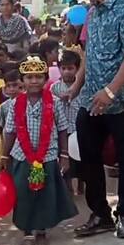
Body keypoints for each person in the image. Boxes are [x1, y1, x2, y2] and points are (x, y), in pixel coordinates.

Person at [67, 0, 124, 240]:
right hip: (92, 100)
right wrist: (76, 86)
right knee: (88, 157)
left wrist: (111, 90)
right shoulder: (93, 12)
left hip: (123, 101)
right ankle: (99, 213)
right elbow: (90, 53)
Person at [0, 56, 77, 245]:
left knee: (45, 194)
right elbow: (9, 131)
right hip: (22, 156)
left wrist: (64, 154)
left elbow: (62, 129)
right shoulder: (15, 104)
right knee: (23, 194)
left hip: (48, 156)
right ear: (22, 81)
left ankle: (41, 229)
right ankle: (27, 232)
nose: (34, 81)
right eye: (29, 77)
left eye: (38, 77)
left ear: (45, 79)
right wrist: (4, 155)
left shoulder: (55, 102)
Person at [51, 49, 83, 195]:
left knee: (81, 159)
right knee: (64, 159)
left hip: (79, 128)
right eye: (63, 68)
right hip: (62, 130)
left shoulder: (83, 86)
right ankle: (67, 188)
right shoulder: (55, 88)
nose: (67, 72)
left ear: (77, 68)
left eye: (70, 68)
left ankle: (82, 184)